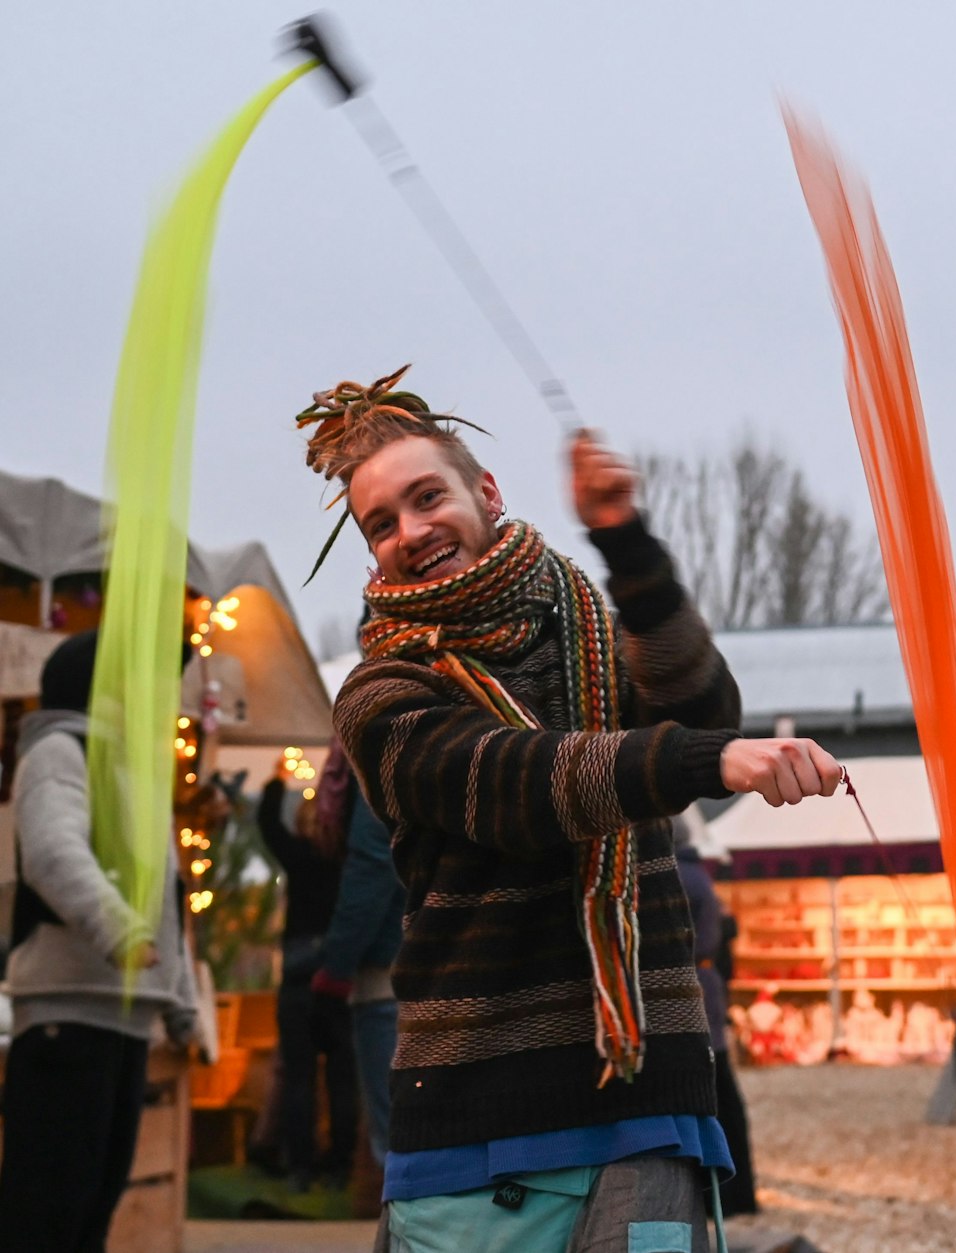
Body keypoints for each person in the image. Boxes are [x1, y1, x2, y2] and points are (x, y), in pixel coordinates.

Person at [303, 367, 843, 1253]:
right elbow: (519, 783)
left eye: (428, 496)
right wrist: (704, 758)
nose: (412, 530)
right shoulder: (381, 692)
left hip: (645, 1103)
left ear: (486, 492)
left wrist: (625, 541)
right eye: (383, 522)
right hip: (473, 1119)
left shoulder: (589, 630)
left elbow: (701, 705)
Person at [0, 630, 199, 1252]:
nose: (158, 694)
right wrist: (120, 929)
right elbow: (53, 852)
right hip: (67, 1015)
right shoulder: (60, 753)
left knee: (91, 1210)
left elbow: (166, 899)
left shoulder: (136, 773)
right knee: (47, 1212)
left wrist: (180, 1003)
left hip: (126, 1019)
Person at [257, 752, 359, 1191]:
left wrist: (276, 780)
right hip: (338, 967)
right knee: (342, 1074)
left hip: (298, 966)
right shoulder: (348, 859)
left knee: (299, 1074)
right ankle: (340, 1166)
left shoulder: (297, 855)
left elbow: (267, 824)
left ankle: (301, 1167)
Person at [310, 739, 403, 1178]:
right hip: (431, 959)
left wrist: (336, 967)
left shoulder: (376, 748)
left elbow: (372, 862)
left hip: (387, 970)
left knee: (398, 1138)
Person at [672, 809, 757, 1216]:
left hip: (692, 990)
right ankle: (733, 1191)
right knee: (720, 1089)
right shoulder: (696, 874)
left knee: (712, 1091)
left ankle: (725, 1192)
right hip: (701, 986)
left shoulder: (680, 877)